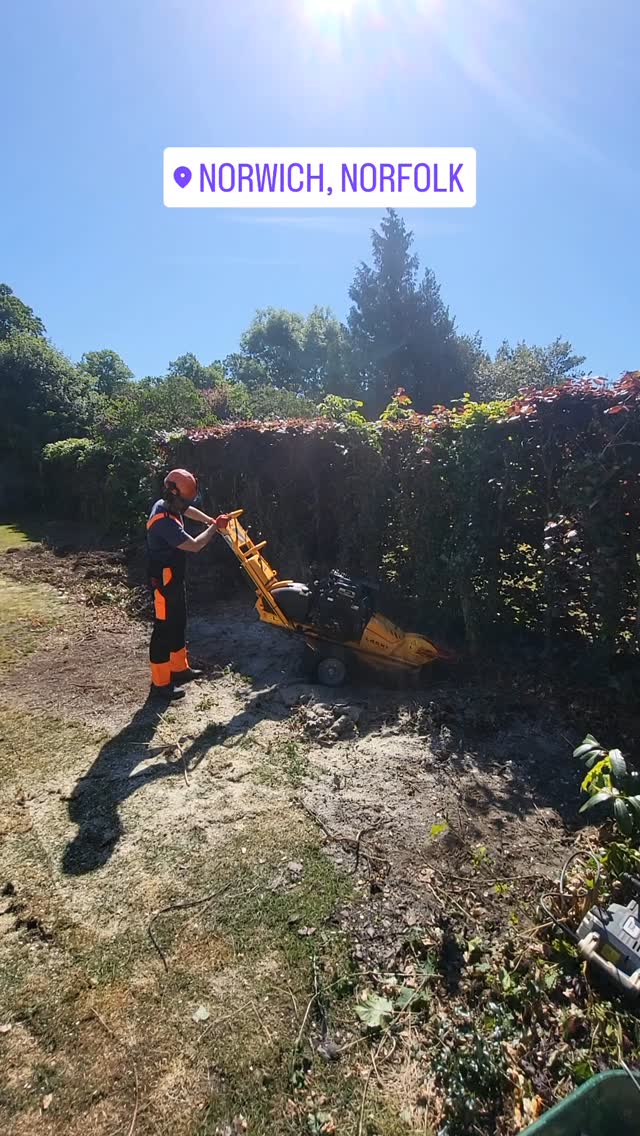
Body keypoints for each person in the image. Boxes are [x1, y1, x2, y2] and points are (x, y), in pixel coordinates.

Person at [146, 468, 229, 701]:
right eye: (185, 498)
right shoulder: (162, 520)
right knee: (163, 629)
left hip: (174, 576)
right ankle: (160, 684)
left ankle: (179, 669)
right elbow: (194, 546)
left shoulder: (170, 504)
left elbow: (187, 509)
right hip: (162, 579)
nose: (187, 503)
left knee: (178, 621)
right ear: (173, 493)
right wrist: (215, 528)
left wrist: (209, 519)